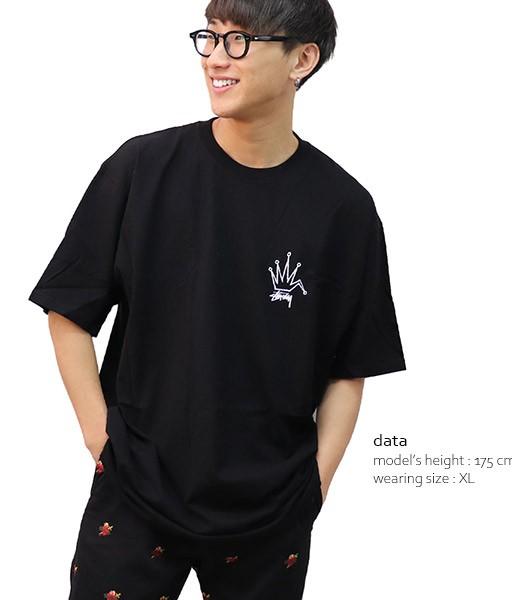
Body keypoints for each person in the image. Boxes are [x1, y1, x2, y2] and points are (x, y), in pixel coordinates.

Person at [28, 1, 406, 598]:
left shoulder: (344, 209)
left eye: (239, 41)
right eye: (210, 37)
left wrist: (316, 483)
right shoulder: (143, 167)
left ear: (302, 60)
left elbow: (350, 367)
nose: (214, 58)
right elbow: (68, 309)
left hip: (271, 510)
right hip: (135, 492)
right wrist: (101, 440)